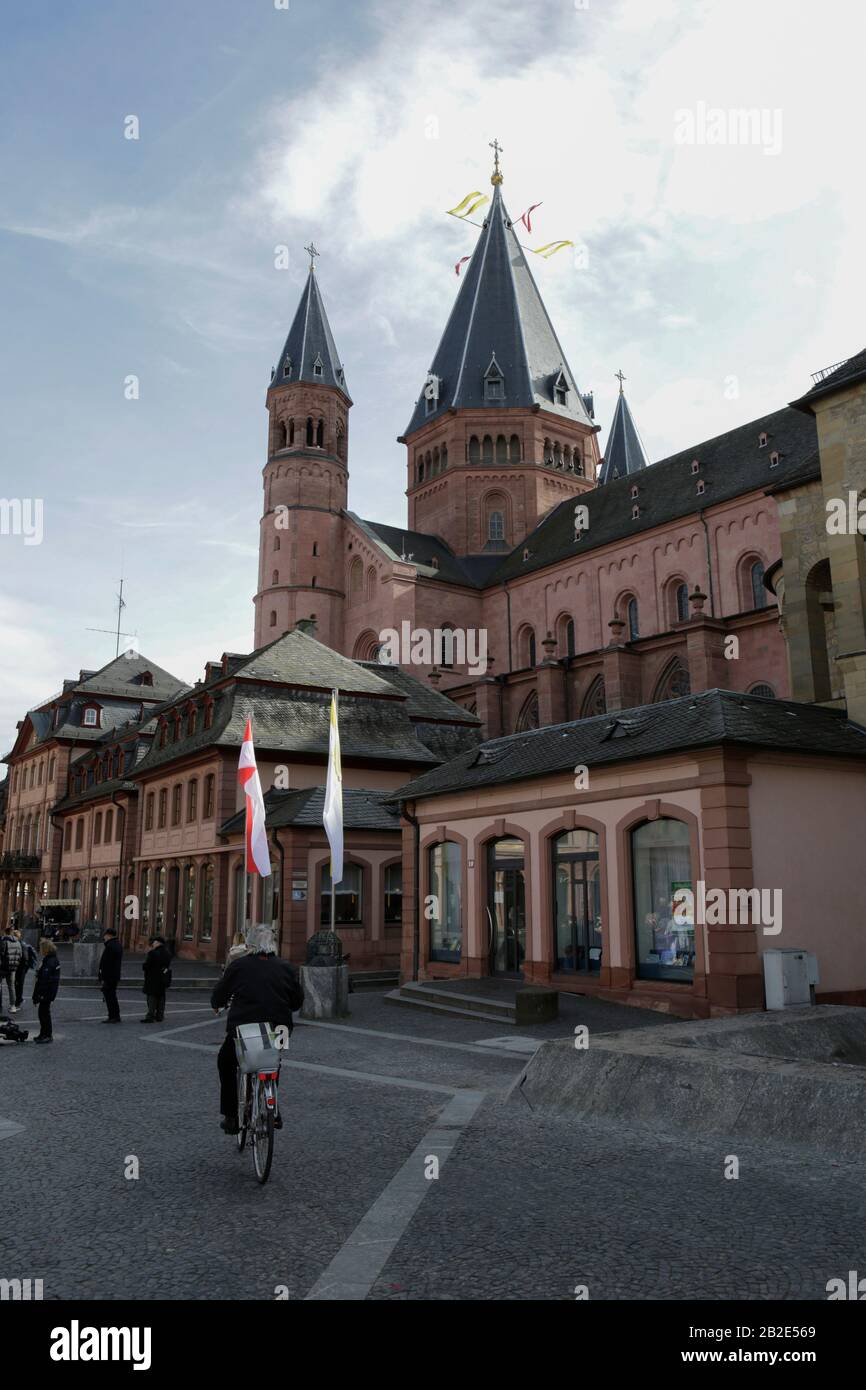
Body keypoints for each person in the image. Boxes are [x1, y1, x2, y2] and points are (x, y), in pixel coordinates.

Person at [210, 924, 303, 1134]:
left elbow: (220, 995)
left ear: (250, 945)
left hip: (245, 1027)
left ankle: (231, 1116)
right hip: (279, 1028)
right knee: (272, 1061)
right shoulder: (287, 968)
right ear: (273, 945)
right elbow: (297, 1002)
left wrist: (217, 1003)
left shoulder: (239, 966)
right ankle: (273, 1107)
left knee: (226, 1061)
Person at [32, 938, 61, 1043]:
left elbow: (44, 980)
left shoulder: (50, 961)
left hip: (47, 991)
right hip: (49, 990)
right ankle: (43, 1033)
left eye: (41, 948)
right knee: (43, 1013)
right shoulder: (50, 959)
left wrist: (38, 995)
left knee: (44, 1014)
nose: (40, 950)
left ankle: (47, 1035)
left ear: (45, 949)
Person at [141, 935, 172, 1022]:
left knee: (151, 997)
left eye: (154, 942)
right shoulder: (167, 953)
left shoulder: (153, 953)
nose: (152, 944)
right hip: (163, 977)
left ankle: (150, 1016)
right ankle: (160, 1015)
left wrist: (144, 966)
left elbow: (147, 965)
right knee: (161, 997)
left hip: (152, 978)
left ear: (158, 943)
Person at [97, 926, 123, 1023]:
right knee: (111, 996)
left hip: (109, 976)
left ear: (108, 935)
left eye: (105, 935)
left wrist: (102, 976)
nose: (104, 937)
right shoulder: (116, 944)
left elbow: (106, 963)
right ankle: (114, 1015)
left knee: (110, 997)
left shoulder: (110, 946)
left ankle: (113, 1016)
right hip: (113, 975)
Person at [0, 924, 23, 1015]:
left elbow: (1, 954)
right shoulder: (18, 942)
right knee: (11, 987)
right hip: (13, 968)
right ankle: (13, 1006)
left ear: (6, 932)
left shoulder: (4, 942)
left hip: (3, 968)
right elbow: (20, 955)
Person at [14, 928, 38, 1008]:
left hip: (20, 969)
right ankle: (18, 999)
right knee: (17, 984)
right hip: (19, 968)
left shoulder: (21, 945)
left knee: (18, 985)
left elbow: (25, 959)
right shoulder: (20, 944)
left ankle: (18, 1001)